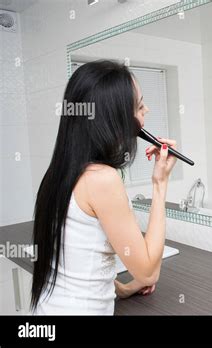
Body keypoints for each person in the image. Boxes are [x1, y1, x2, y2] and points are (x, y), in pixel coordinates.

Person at [31, 60, 177, 314]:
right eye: (140, 105)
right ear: (118, 119)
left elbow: (78, 263)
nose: (147, 110)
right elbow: (149, 272)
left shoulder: (59, 172)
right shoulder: (102, 178)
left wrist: (125, 288)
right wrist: (160, 183)